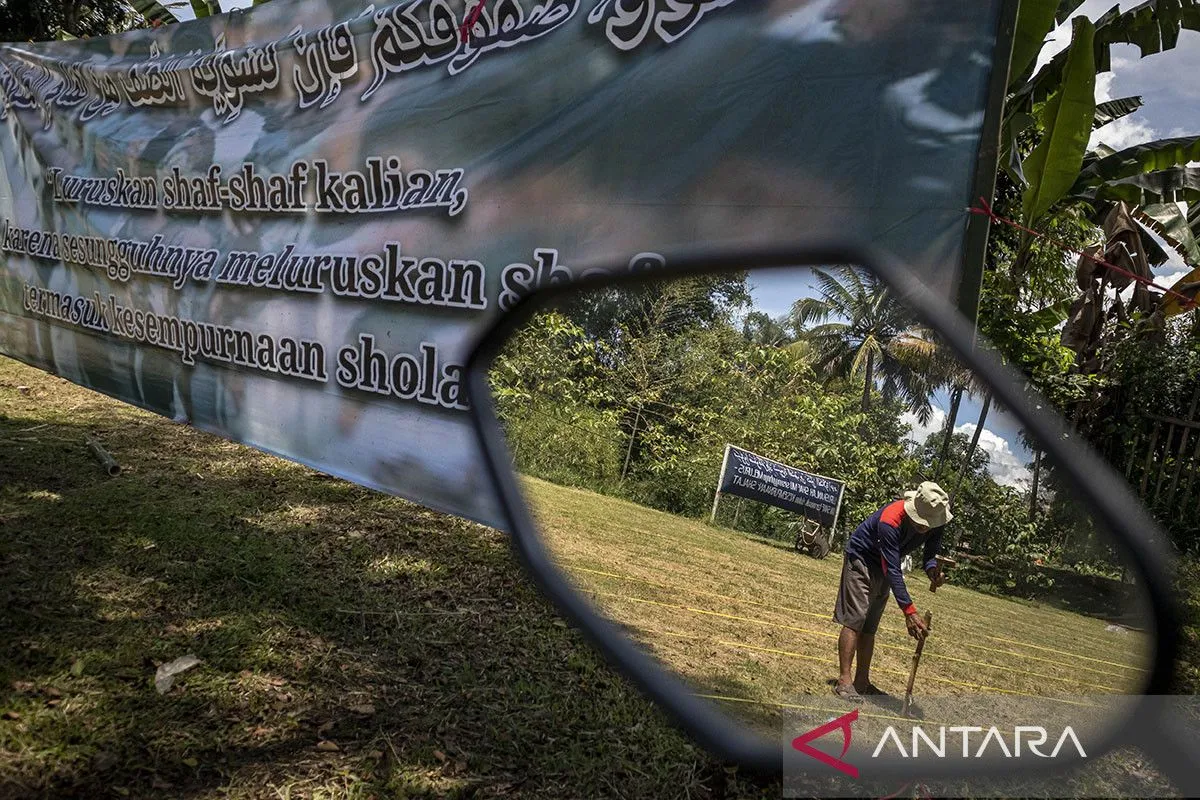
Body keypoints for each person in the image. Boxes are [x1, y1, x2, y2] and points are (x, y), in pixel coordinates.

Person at [832, 481, 951, 700]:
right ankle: (844, 681)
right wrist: (909, 611)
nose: (924, 527)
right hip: (862, 558)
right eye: (920, 521)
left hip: (885, 564)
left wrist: (932, 569)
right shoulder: (891, 520)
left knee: (870, 626)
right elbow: (893, 568)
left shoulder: (937, 520)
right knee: (855, 619)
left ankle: (862, 682)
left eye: (928, 524)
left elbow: (931, 552)